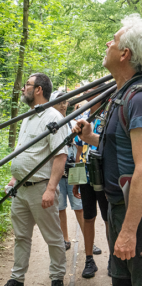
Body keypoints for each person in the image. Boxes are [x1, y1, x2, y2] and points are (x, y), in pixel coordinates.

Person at [72, 13, 142, 286]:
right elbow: (122, 147)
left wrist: (129, 230)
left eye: (112, 41)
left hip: (139, 216)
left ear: (125, 53)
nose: (107, 44)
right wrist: (91, 137)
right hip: (119, 209)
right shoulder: (122, 95)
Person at [5, 73, 68, 286]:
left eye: (28, 85)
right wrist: (14, 178)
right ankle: (17, 278)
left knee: (52, 237)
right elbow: (23, 151)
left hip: (40, 188)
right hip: (20, 189)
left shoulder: (53, 118)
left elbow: (61, 155)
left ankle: (57, 278)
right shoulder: (28, 117)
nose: (24, 89)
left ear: (38, 89)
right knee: (21, 237)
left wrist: (51, 189)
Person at [72, 84, 110, 278]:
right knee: (88, 216)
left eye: (92, 91)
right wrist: (77, 180)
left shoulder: (109, 116)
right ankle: (89, 260)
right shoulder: (84, 118)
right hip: (86, 177)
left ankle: (114, 259)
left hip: (104, 177)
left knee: (108, 217)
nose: (87, 93)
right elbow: (79, 153)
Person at [51, 91, 84, 251]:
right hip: (57, 173)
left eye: (65, 102)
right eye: (59, 102)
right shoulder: (50, 124)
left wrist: (79, 169)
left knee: (79, 205)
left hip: (73, 169)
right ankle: (65, 239)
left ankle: (89, 240)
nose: (63, 105)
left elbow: (80, 147)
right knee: (60, 207)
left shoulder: (73, 122)